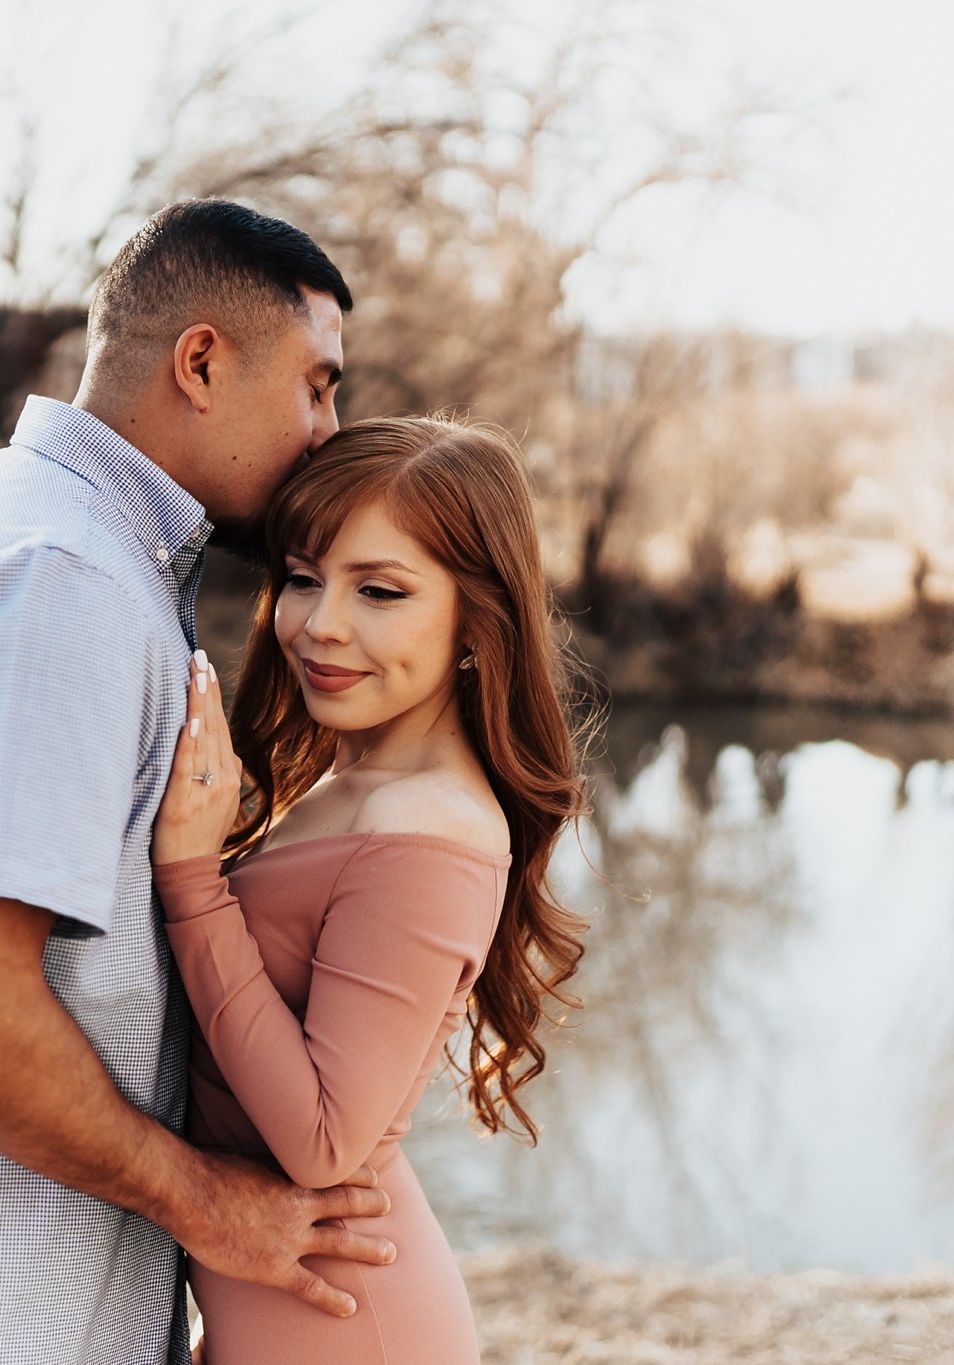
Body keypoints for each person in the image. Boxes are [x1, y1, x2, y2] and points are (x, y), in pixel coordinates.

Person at [0, 200, 398, 1365]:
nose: (328, 429)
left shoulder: (77, 551)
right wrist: (213, 1206)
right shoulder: (56, 579)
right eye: (316, 385)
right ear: (200, 362)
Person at [150, 416, 590, 1363]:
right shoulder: (351, 784)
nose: (321, 623)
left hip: (349, 1326)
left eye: (380, 590)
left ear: (479, 622)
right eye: (305, 577)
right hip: (284, 1311)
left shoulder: (433, 828)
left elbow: (321, 1139)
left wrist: (191, 882)